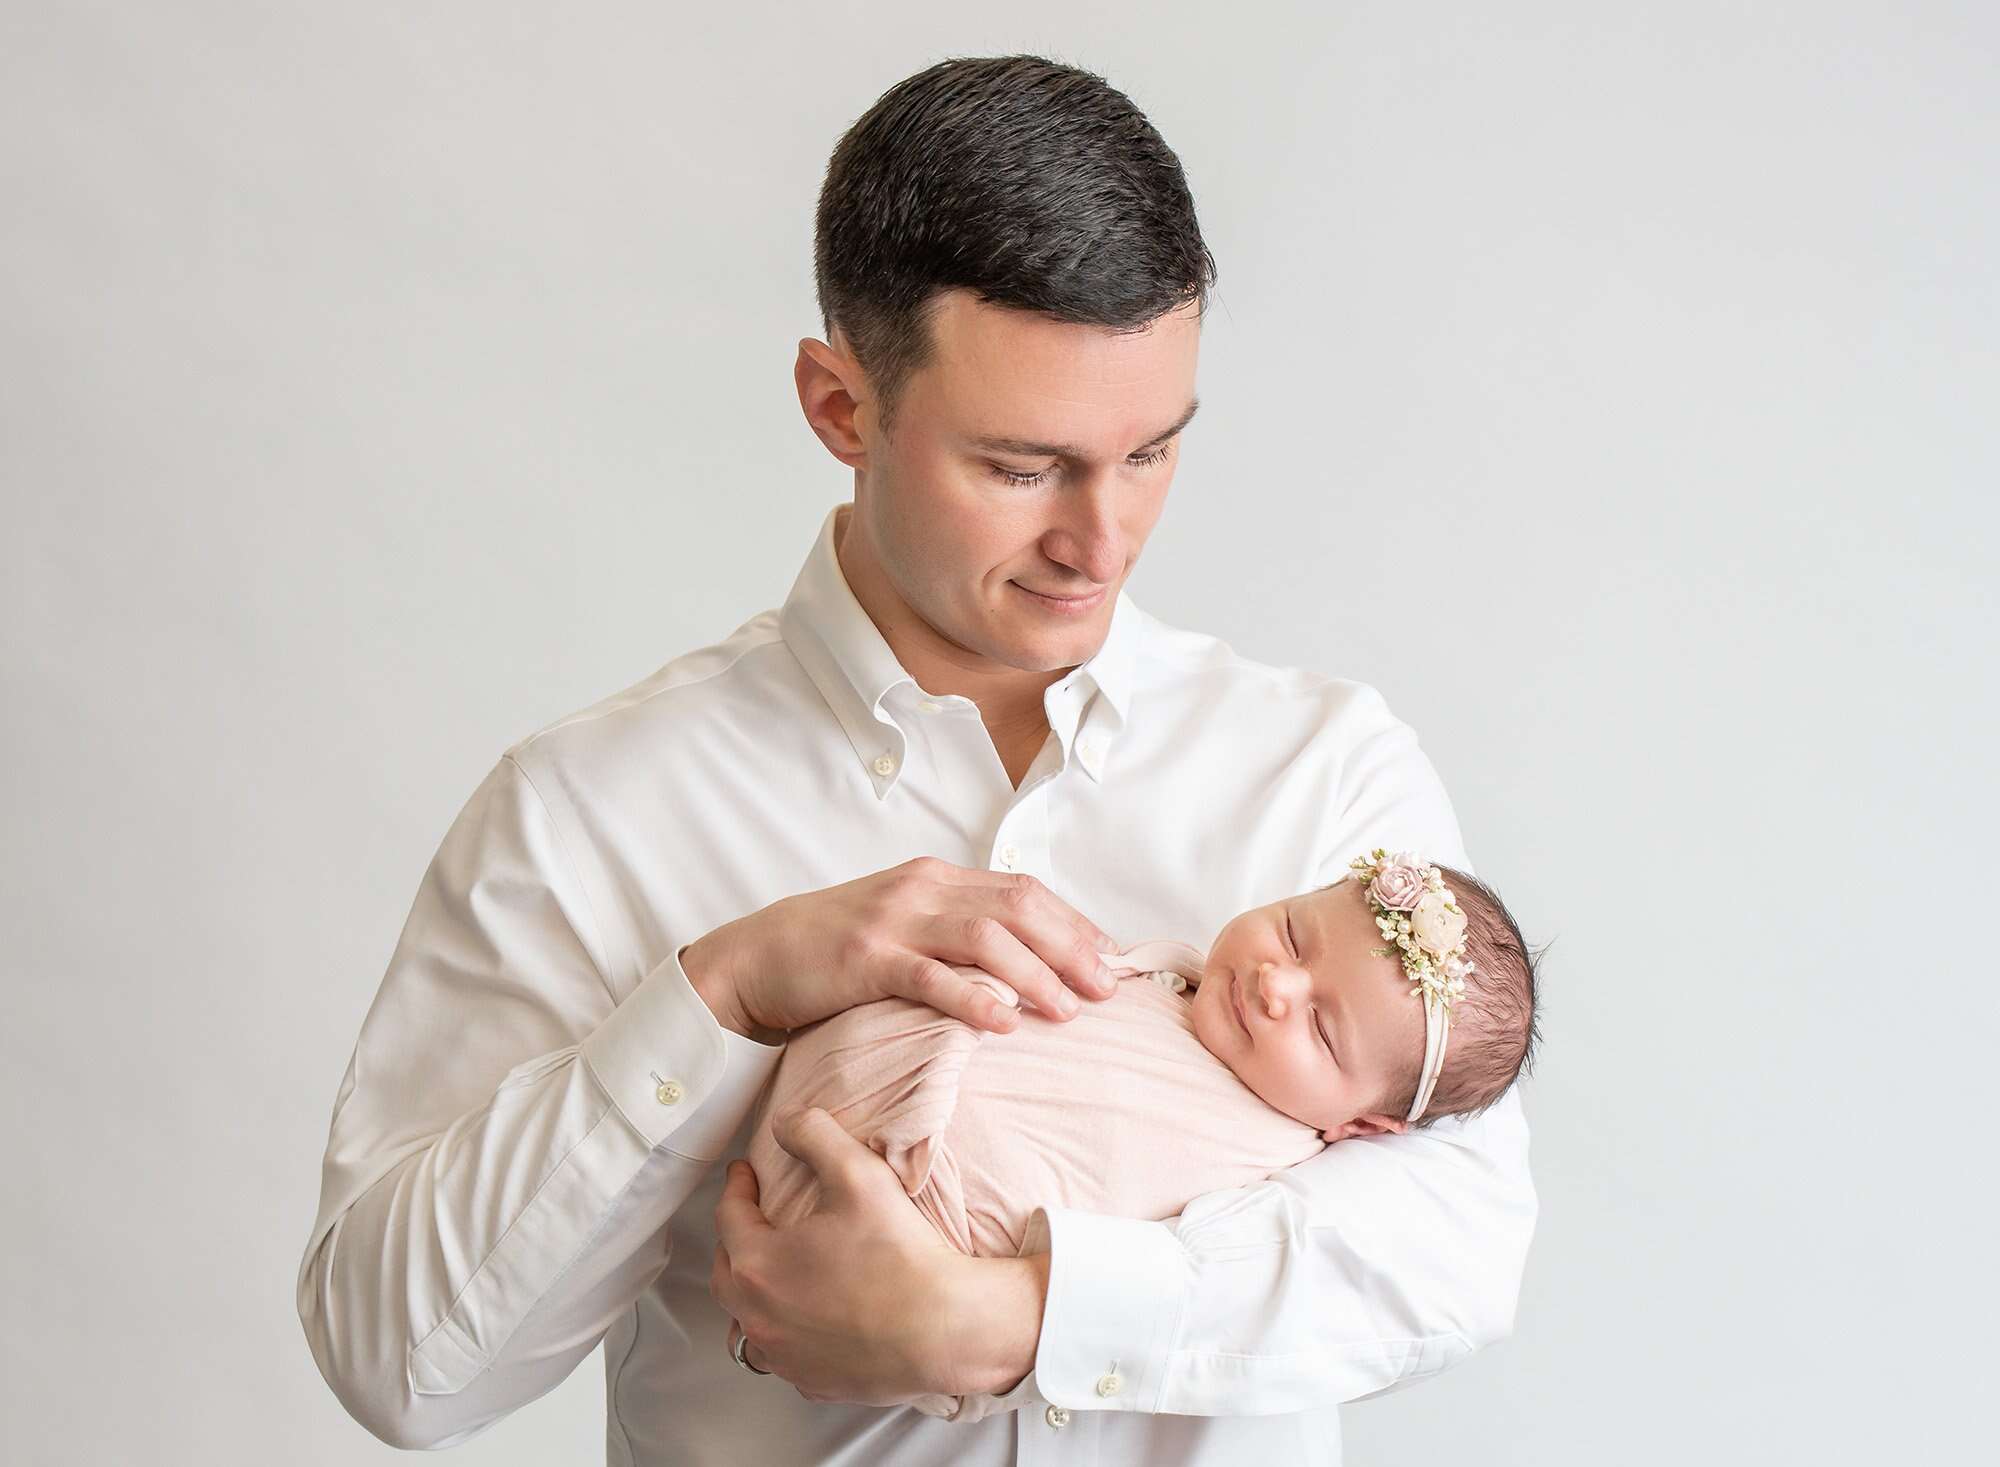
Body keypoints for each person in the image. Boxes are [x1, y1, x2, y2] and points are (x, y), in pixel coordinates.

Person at [296, 52, 1536, 1465]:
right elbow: (399, 1367)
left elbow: (1454, 1249)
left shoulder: (1322, 770)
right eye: (1021, 466)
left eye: (1149, 453)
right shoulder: (591, 810)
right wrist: (722, 994)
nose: (1101, 541)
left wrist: (1012, 1317)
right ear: (842, 409)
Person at [744, 852, 1543, 1422]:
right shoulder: (1163, 975)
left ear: (1360, 1124)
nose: (1276, 982)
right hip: (858, 1086)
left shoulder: (1279, 1169)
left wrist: (995, 1310)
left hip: (924, 1236)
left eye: (1322, 1028)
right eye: (1294, 933)